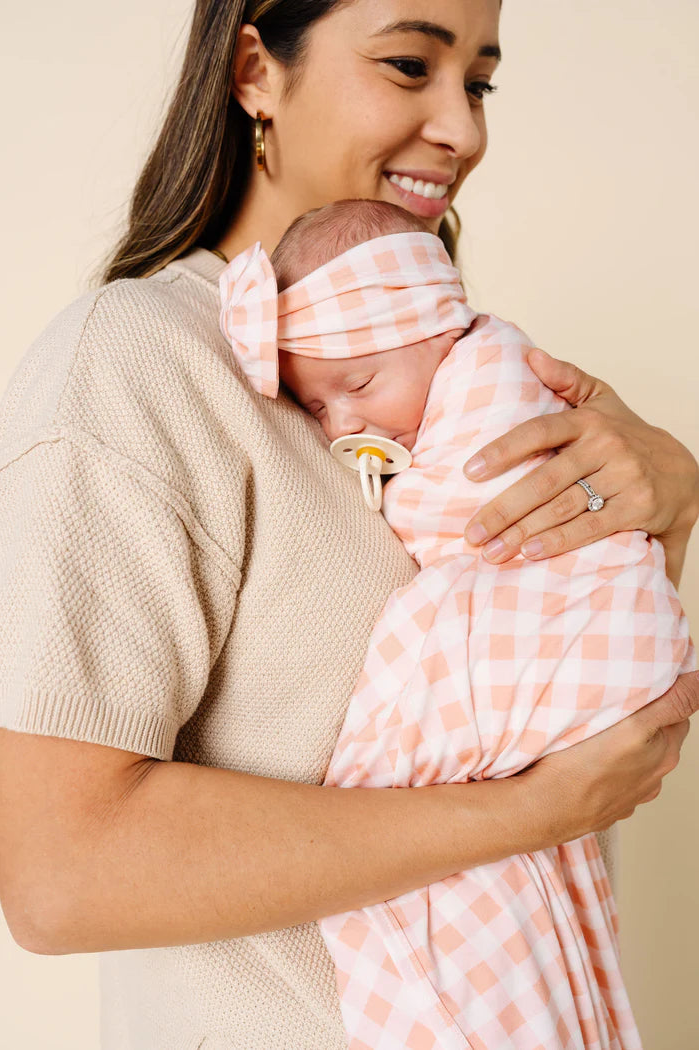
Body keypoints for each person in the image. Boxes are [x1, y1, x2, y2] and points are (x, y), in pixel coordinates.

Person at [0, 3, 697, 1048]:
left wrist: (669, 499)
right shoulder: (140, 366)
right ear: (253, 72)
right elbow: (61, 873)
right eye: (410, 65)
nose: (462, 129)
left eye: (480, 81)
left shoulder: (451, 384)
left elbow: (576, 691)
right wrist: (531, 814)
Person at [220, 196, 693, 1048]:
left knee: (385, 756)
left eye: (358, 386)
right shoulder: (145, 352)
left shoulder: (491, 376)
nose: (345, 425)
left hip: (575, 620)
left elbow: (476, 509)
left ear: (439, 333)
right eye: (318, 408)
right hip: (577, 693)